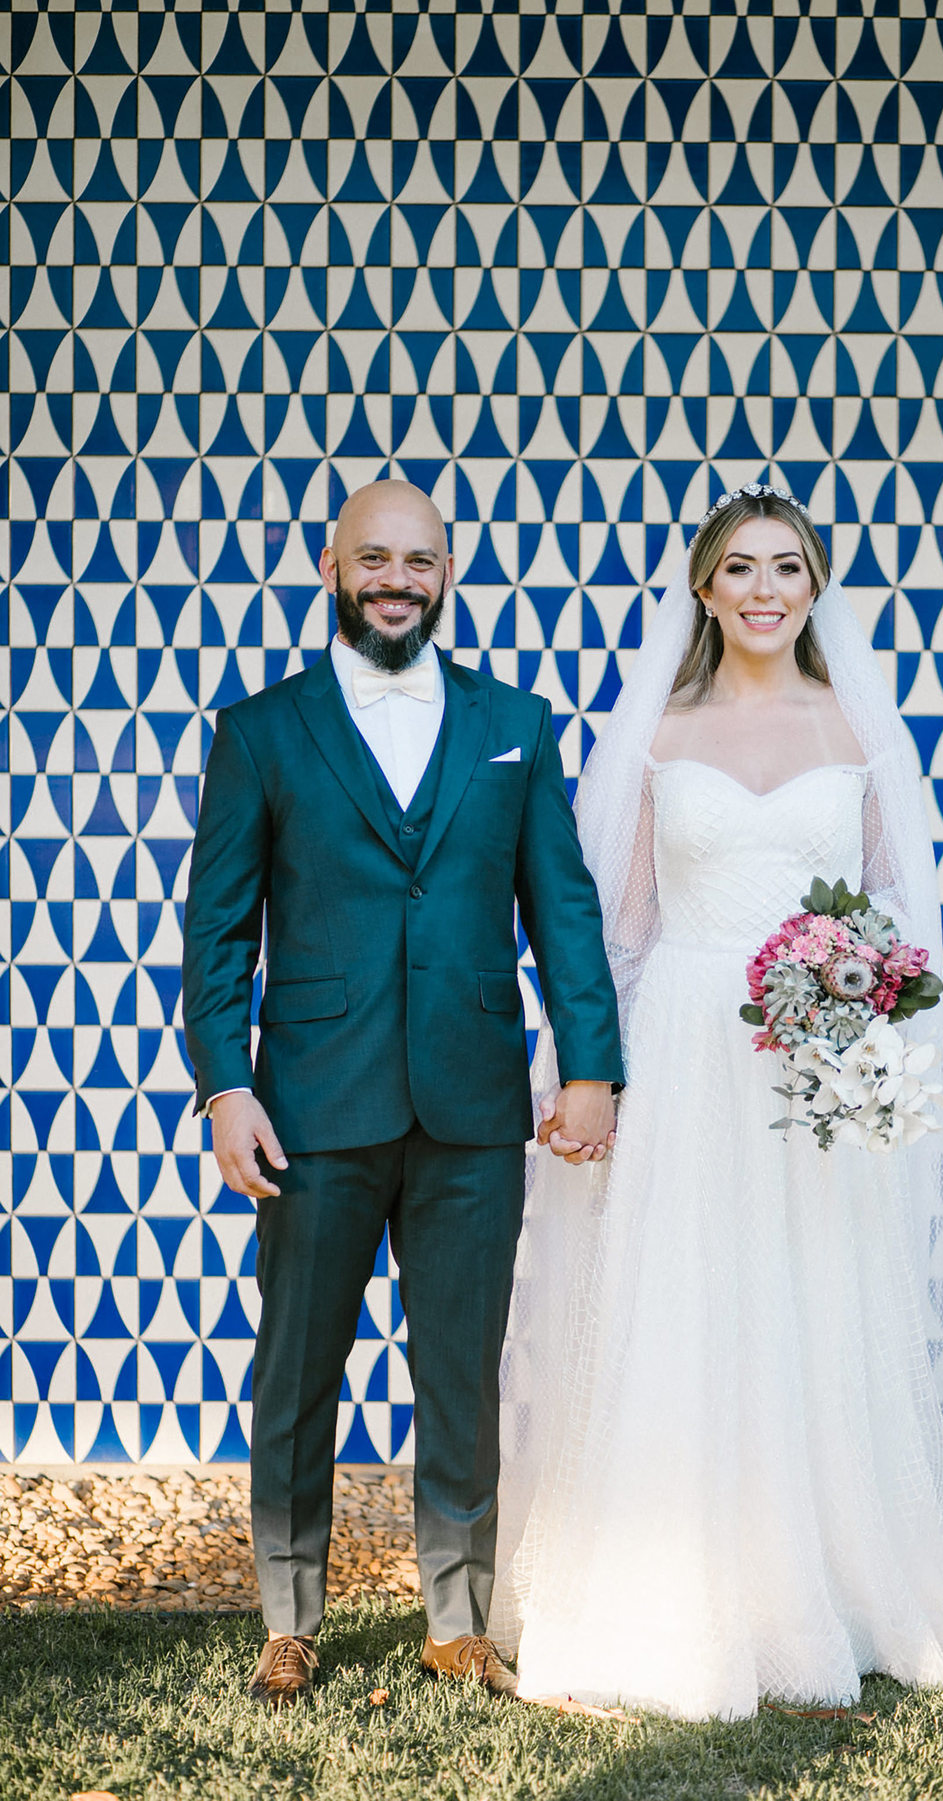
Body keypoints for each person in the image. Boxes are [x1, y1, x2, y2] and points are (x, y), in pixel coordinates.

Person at [489, 483, 943, 1720]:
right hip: (684, 1046)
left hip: (814, 1064)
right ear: (705, 590)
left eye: (787, 566)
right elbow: (613, 930)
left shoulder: (857, 729)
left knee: (812, 1298)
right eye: (740, 569)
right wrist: (588, 1080)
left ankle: (830, 1580)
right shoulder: (657, 735)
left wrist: (865, 1008)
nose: (766, 589)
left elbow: (898, 915)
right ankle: (670, 1583)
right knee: (684, 1299)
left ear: (816, 586)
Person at [182, 479, 623, 1707]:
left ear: (447, 570)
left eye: (418, 560)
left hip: (475, 1106)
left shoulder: (515, 724)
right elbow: (216, 932)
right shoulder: (260, 729)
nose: (396, 578)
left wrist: (589, 1067)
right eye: (372, 557)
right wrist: (226, 1087)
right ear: (331, 569)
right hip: (310, 1106)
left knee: (462, 1373)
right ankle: (288, 1616)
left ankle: (457, 1617)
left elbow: (565, 910)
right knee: (296, 1368)